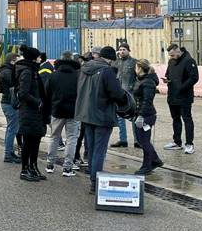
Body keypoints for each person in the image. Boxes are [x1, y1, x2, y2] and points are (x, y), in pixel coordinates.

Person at [75, 46, 129, 194]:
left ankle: (93, 179)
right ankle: (95, 183)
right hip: (102, 115)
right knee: (99, 150)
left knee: (91, 149)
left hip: (86, 115)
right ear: (110, 59)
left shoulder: (84, 69)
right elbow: (117, 93)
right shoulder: (107, 71)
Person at [15, 45, 48, 182]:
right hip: (29, 112)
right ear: (34, 58)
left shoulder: (34, 71)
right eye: (39, 56)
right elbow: (23, 93)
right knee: (28, 142)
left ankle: (33, 167)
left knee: (35, 140)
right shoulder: (27, 72)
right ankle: (25, 169)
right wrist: (38, 102)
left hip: (36, 112)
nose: (41, 58)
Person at [44, 51, 81, 177]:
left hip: (57, 111)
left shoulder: (54, 75)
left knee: (54, 137)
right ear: (72, 60)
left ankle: (50, 164)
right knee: (71, 139)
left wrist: (48, 111)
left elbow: (47, 94)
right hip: (73, 112)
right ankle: (67, 168)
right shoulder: (78, 76)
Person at [163, 44, 199, 154]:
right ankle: (177, 142)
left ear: (178, 51)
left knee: (187, 119)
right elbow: (168, 74)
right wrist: (167, 79)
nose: (171, 57)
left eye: (173, 55)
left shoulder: (189, 61)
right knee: (175, 119)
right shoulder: (171, 61)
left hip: (184, 96)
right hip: (172, 95)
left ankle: (189, 144)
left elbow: (194, 77)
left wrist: (181, 87)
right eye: (170, 56)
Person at [132, 59, 164, 175]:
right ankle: (155, 160)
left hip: (146, 115)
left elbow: (147, 101)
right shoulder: (141, 80)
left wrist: (141, 116)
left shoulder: (148, 82)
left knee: (144, 141)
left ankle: (147, 165)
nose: (134, 70)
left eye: (136, 67)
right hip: (140, 113)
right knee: (142, 140)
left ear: (140, 69)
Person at [110, 43, 138, 149]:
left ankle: (137, 140)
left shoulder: (134, 62)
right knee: (120, 117)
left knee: (134, 116)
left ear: (128, 50)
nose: (122, 51)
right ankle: (123, 140)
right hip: (119, 93)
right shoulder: (115, 63)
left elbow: (139, 76)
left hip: (130, 93)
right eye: (120, 49)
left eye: (124, 49)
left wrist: (135, 89)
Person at [0, 52, 21, 163]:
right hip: (10, 103)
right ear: (12, 61)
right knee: (12, 129)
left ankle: (10, 152)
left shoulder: (5, 70)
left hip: (7, 102)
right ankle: (8, 154)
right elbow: (14, 85)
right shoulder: (8, 72)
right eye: (17, 61)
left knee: (10, 128)